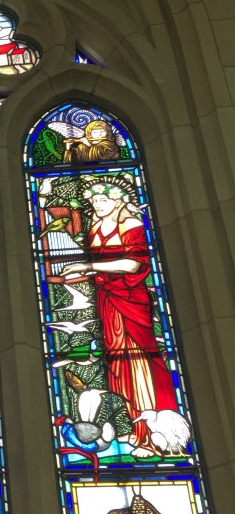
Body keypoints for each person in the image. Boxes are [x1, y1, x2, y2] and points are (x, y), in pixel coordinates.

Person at [61, 182, 177, 450]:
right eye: (94, 202)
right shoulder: (95, 228)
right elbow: (104, 266)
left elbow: (133, 264)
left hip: (130, 298)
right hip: (107, 298)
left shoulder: (131, 224)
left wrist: (87, 265)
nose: (98, 206)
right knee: (115, 360)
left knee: (138, 358)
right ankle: (128, 425)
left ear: (119, 201)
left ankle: (149, 430)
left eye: (103, 200)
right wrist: (82, 273)